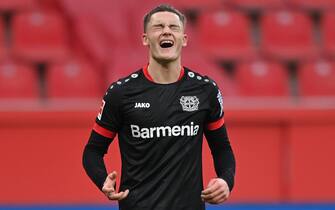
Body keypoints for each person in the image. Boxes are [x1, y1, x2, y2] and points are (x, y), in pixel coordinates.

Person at [83, 4, 236, 210]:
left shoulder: (205, 90)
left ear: (184, 39)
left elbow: (222, 148)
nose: (166, 31)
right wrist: (103, 181)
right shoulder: (121, 93)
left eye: (174, 27)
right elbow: (93, 151)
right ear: (145, 38)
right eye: (158, 27)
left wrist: (226, 180)